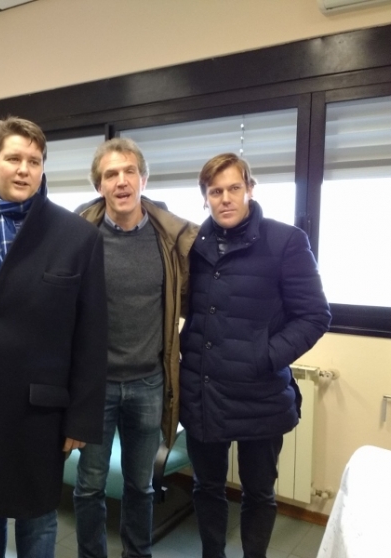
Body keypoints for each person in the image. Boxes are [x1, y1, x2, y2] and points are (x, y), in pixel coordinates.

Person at [0, 116, 108, 558]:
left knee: (38, 518)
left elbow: (91, 334)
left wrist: (81, 419)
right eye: (14, 158)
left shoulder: (77, 236)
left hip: (38, 412)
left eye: (34, 161)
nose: (24, 169)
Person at [179, 153, 331, 558]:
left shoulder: (285, 241)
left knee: (259, 492)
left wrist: (263, 357)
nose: (225, 198)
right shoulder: (192, 244)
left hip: (260, 393)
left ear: (249, 189)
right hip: (203, 390)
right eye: (215, 191)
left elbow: (315, 315)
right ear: (205, 197)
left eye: (234, 188)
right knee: (207, 487)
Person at [73, 138, 199, 558]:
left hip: (149, 383)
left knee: (141, 486)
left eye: (129, 171)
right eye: (111, 174)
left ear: (144, 179)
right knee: (90, 485)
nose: (121, 181)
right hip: (96, 386)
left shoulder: (169, 240)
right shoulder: (80, 237)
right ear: (99, 186)